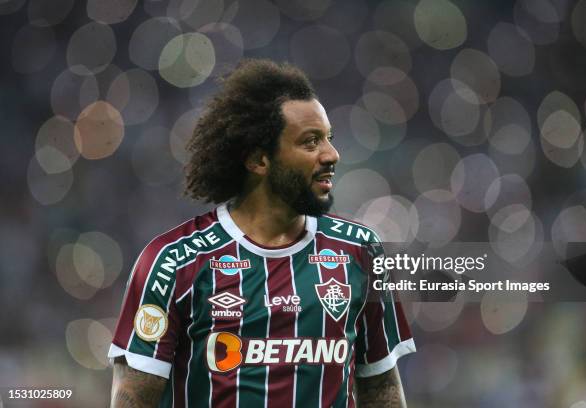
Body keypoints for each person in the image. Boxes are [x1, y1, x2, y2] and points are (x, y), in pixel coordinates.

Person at [108, 59, 415, 407]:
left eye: (329, 138)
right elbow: (133, 399)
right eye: (311, 142)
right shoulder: (174, 263)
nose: (332, 154)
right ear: (259, 160)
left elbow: (382, 389)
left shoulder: (361, 252)